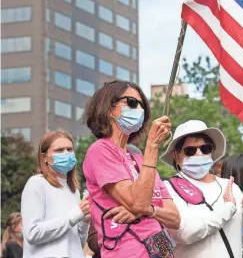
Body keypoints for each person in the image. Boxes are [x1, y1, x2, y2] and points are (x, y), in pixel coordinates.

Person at [82, 80, 180, 258]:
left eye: (142, 105)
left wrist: (149, 211)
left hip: (160, 251)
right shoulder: (100, 151)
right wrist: (152, 146)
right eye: (132, 103)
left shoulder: (140, 159)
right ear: (109, 108)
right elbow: (138, 202)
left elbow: (174, 218)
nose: (139, 110)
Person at [160, 120, 243, 258]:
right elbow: (185, 233)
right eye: (190, 150)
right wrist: (227, 209)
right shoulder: (168, 188)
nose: (199, 154)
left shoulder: (230, 186)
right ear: (176, 156)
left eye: (205, 149)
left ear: (212, 150)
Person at [21, 130, 90, 258]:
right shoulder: (36, 184)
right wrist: (75, 214)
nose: (66, 154)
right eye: (59, 150)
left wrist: (85, 220)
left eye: (69, 149)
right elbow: (32, 233)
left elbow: (77, 241)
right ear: (44, 157)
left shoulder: (73, 190)